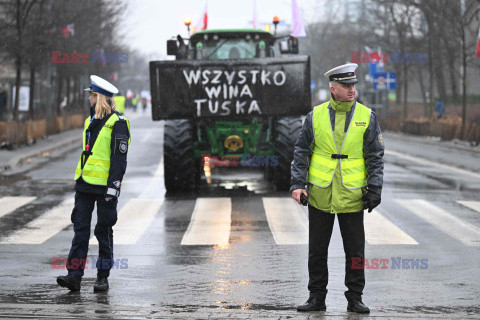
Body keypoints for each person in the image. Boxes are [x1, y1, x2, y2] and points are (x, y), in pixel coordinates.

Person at [291, 63, 384, 313]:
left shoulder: (367, 116)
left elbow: (375, 156)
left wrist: (375, 189)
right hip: (319, 193)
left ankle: (355, 298)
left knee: (355, 251)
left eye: (353, 85)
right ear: (333, 88)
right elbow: (301, 151)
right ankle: (316, 297)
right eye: (346, 85)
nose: (352, 89)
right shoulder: (315, 116)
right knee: (317, 251)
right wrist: (298, 184)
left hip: (352, 195)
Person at [57, 75, 131, 292]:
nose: (89, 99)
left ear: (100, 98)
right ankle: (74, 276)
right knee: (80, 231)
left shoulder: (118, 124)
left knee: (103, 232)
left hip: (105, 187)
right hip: (84, 185)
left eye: (92, 95)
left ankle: (102, 277)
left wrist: (113, 187)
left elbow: (119, 160)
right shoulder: (88, 122)